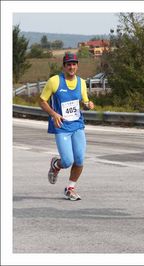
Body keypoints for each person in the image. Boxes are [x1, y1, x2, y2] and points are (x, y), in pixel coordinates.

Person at [39, 52, 94, 201]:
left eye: (74, 64)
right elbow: (42, 101)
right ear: (64, 66)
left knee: (80, 160)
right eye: (68, 64)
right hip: (61, 126)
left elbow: (85, 102)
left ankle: (70, 188)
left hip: (77, 125)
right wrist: (53, 114)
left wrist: (89, 105)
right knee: (68, 161)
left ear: (77, 66)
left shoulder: (81, 83)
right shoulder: (54, 81)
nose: (71, 67)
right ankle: (56, 165)